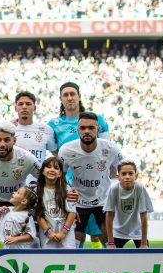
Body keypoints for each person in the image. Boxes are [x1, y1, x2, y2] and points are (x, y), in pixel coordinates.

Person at [47, 82, 111, 249]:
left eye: (72, 94)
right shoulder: (53, 124)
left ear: (79, 96)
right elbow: (56, 155)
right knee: (76, 233)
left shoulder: (97, 120)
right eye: (65, 95)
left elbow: (106, 148)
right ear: (61, 99)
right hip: (71, 187)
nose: (69, 98)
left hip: (97, 187)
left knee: (103, 232)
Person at [58, 112, 123, 248]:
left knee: (108, 239)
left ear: (98, 130)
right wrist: (66, 191)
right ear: (78, 130)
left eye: (91, 128)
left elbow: (122, 170)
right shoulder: (66, 150)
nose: (87, 131)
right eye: (83, 128)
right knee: (75, 240)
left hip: (103, 200)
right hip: (78, 201)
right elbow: (60, 177)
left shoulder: (110, 149)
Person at [12, 91, 57, 187]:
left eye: (28, 104)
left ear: (34, 108)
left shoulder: (46, 130)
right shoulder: (8, 129)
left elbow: (56, 154)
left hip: (38, 184)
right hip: (14, 184)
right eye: (21, 104)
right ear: (15, 108)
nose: (24, 107)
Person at [104, 159, 151, 249]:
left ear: (136, 176)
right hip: (118, 231)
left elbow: (143, 215)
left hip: (137, 231)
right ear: (118, 177)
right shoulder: (114, 189)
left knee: (145, 258)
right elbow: (109, 215)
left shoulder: (139, 188)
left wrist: (144, 243)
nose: (127, 177)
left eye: (130, 173)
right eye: (124, 174)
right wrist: (110, 242)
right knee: (112, 259)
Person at [34, 156, 77, 249]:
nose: (52, 170)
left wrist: (63, 232)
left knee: (69, 258)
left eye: (56, 168)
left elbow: (72, 213)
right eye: (49, 167)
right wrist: (48, 232)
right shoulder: (37, 191)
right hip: (47, 232)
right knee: (48, 259)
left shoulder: (67, 189)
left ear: (60, 174)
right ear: (42, 171)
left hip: (66, 231)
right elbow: (39, 214)